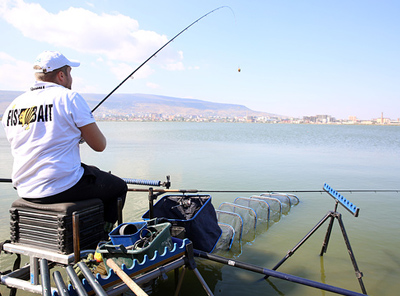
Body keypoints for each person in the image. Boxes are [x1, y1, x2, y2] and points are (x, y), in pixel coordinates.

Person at [2, 50, 127, 233]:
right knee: (118, 187)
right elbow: (100, 145)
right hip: (60, 187)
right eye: (70, 72)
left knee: (93, 171)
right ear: (61, 75)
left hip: (25, 188)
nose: (71, 78)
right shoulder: (69, 98)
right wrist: (81, 134)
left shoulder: (12, 106)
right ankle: (102, 237)